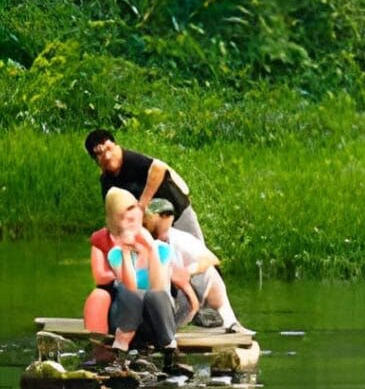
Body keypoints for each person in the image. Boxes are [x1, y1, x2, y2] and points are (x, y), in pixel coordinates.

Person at [98, 187, 198, 359]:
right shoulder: (116, 254)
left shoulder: (162, 250)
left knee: (155, 295)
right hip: (125, 322)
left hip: (156, 322)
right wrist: (126, 253)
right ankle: (120, 348)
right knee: (131, 294)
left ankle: (170, 350)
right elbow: (130, 287)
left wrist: (150, 249)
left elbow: (159, 286)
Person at [144, 199, 245, 332]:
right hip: (167, 292)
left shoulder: (179, 238)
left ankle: (228, 322)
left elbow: (211, 259)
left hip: (193, 287)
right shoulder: (144, 238)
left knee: (209, 273)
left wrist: (188, 271)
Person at [86, 129, 203, 243]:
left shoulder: (131, 159)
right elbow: (113, 211)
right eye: (100, 154)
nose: (107, 156)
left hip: (176, 210)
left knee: (197, 251)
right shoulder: (107, 181)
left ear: (116, 146)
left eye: (109, 149)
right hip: (151, 227)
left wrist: (142, 205)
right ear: (96, 160)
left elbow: (158, 168)